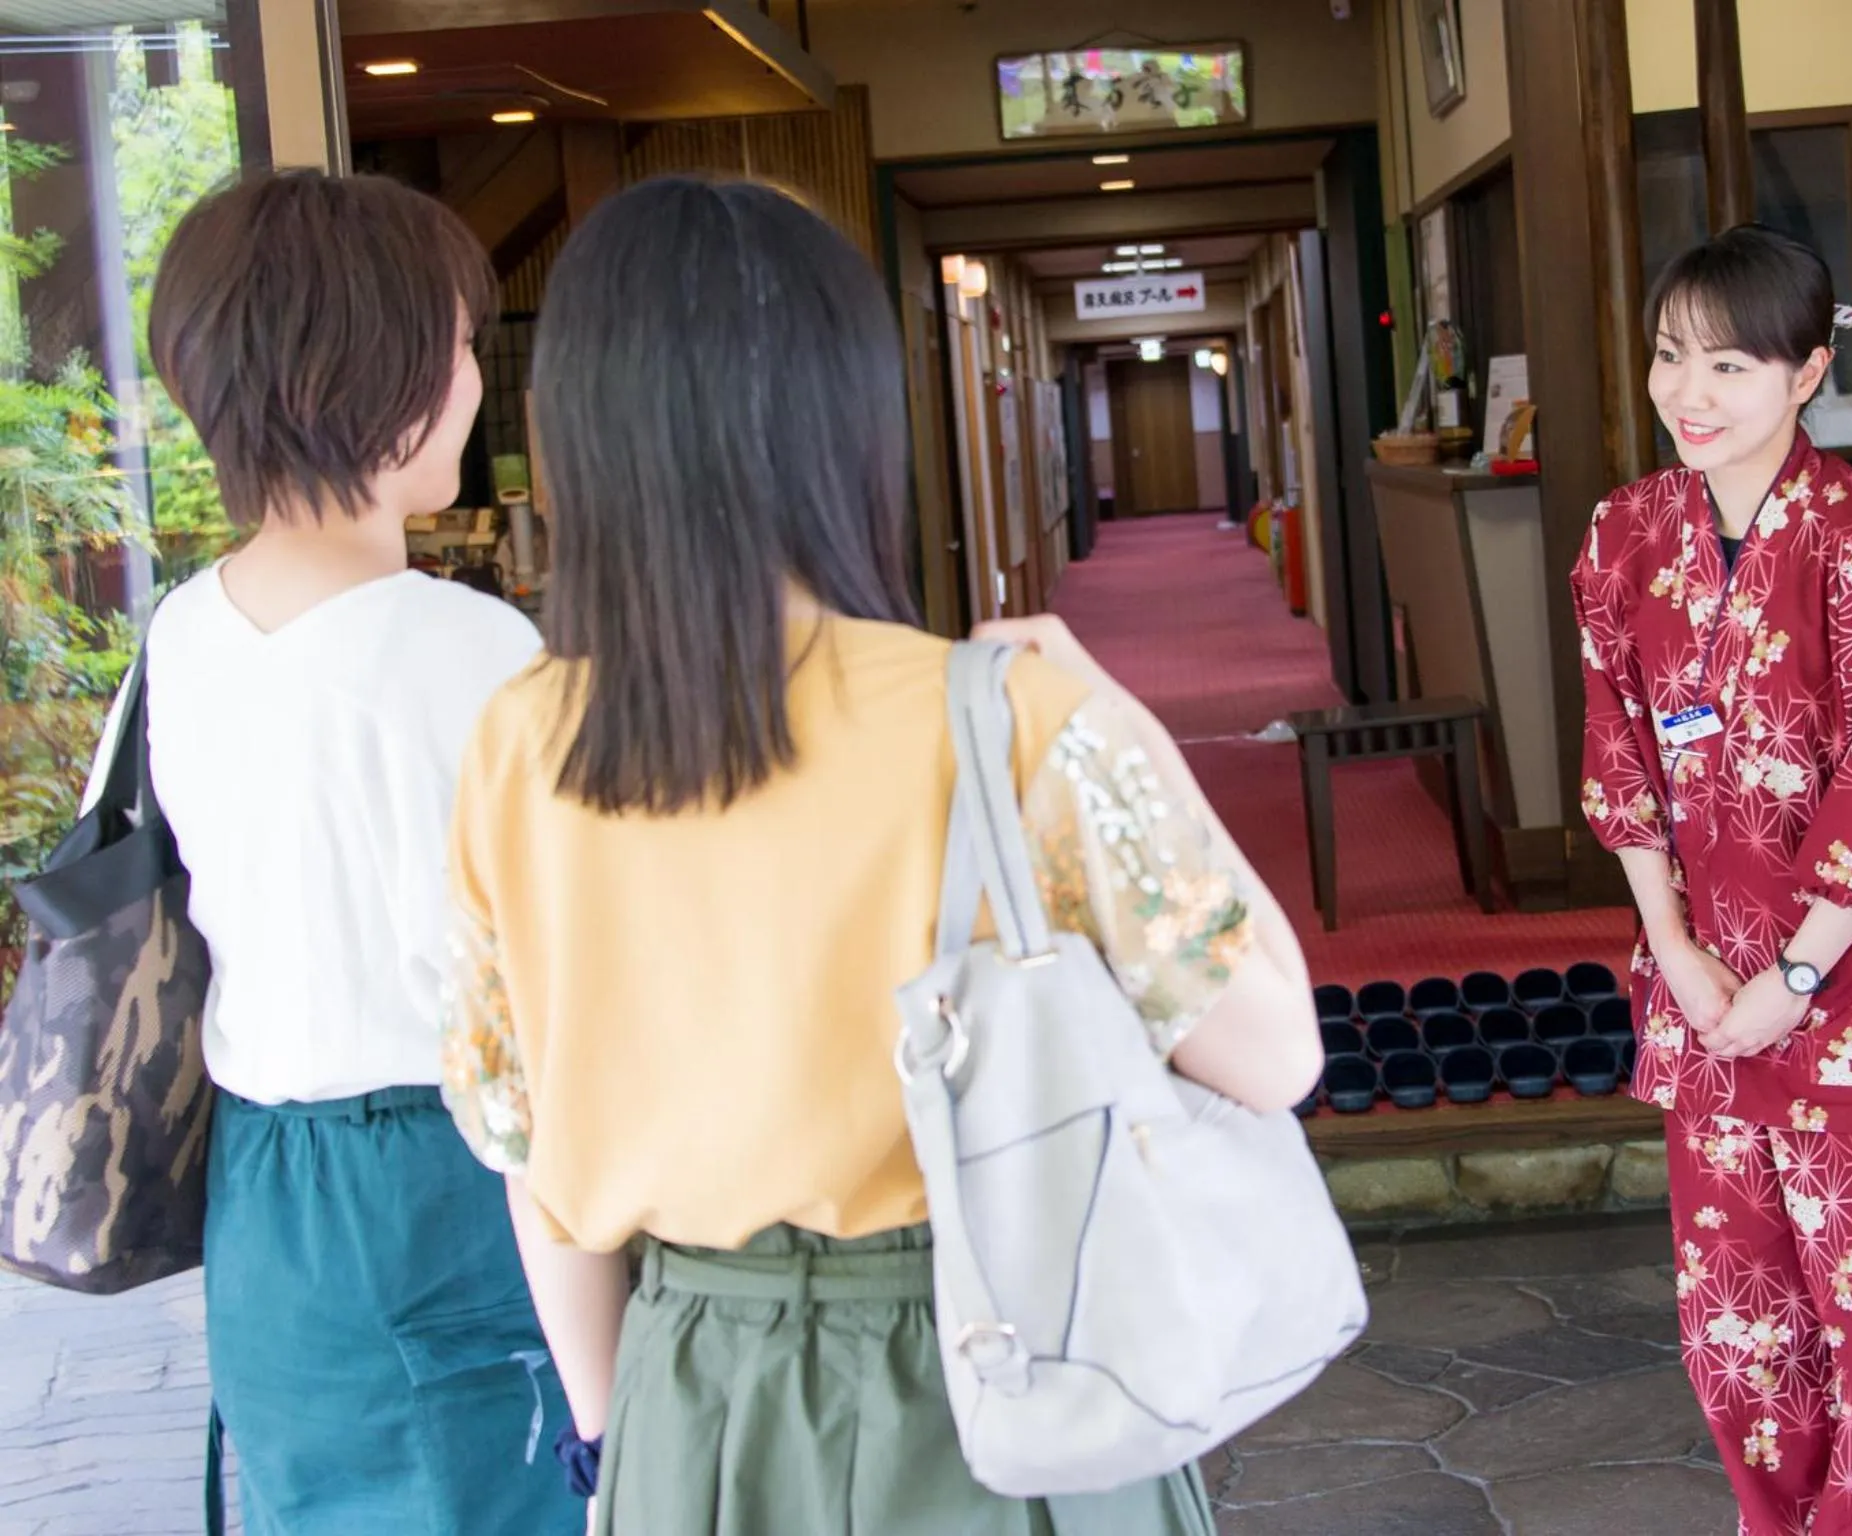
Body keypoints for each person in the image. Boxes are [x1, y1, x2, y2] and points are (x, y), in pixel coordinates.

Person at [438, 174, 1323, 1535]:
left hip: (693, 1395)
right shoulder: (1007, 718)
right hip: (1001, 1369)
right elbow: (1275, 1057)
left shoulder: (517, 743)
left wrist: (624, 1448)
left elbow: (528, 1155)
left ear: (577, 436)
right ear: (846, 419)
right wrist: (1125, 722)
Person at [98, 171, 583, 1534]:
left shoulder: (179, 636)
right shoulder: (470, 649)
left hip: (262, 1186)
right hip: (445, 1174)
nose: (474, 382)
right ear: (369, 371)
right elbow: (554, 972)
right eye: (456, 344)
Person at [1572, 224, 1852, 1533]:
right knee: (1743, 1331)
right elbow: (1618, 746)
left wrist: (1798, 976)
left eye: (1730, 365)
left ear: (1808, 372)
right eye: (1670, 356)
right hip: (1711, 993)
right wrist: (1678, 952)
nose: (1688, 393)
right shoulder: (1626, 533)